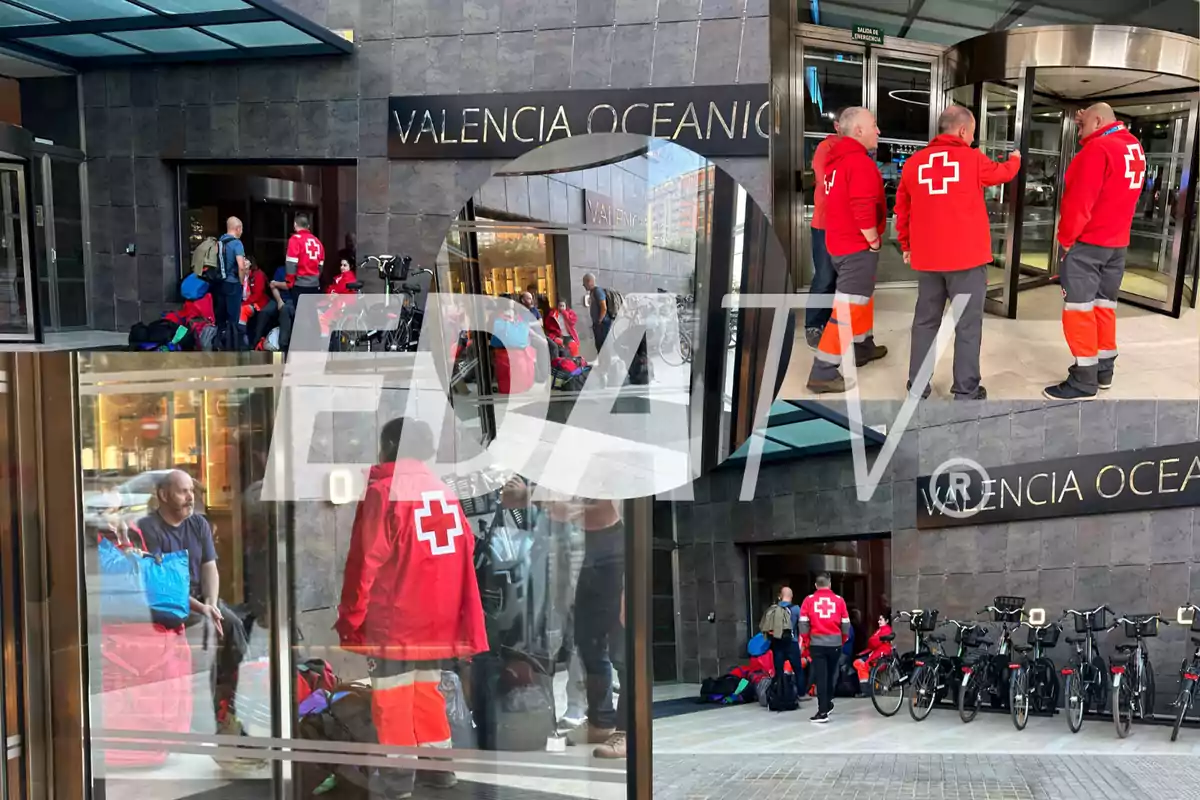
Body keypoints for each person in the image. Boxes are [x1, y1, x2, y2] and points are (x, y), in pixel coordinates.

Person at [336, 418, 488, 797]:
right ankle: (439, 770)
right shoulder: (443, 492)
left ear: (390, 445)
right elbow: (465, 549)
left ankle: (395, 781)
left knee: (392, 696)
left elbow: (364, 563)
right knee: (426, 689)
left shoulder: (384, 492)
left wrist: (351, 618)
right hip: (438, 618)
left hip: (395, 617)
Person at [895, 105, 1022, 401]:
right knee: (967, 325)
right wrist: (1015, 160)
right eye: (973, 133)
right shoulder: (972, 158)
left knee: (925, 321)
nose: (972, 138)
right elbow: (1001, 174)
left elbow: (902, 208)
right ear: (963, 131)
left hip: (928, 260)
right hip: (966, 260)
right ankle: (966, 389)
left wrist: (906, 244)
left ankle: (917, 385)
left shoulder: (914, 164)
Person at [135, 471, 256, 762]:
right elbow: (162, 583)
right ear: (163, 495)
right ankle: (217, 717)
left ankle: (238, 703)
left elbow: (210, 568)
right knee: (211, 631)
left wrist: (212, 604)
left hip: (201, 601)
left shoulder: (199, 523)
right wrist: (204, 610)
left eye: (192, 491)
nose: (191, 497)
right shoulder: (148, 528)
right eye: (183, 491)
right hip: (167, 602)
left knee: (234, 624)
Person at [501, 479, 626, 759]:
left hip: (615, 546)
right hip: (582, 545)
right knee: (588, 642)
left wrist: (539, 501)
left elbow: (601, 509)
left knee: (623, 647)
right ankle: (600, 721)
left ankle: (628, 730)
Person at [1044, 102, 1146, 400]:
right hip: (1117, 246)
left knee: (1078, 310)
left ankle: (1082, 380)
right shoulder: (1133, 147)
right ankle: (1104, 371)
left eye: (1082, 125)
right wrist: (1089, 122)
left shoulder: (1097, 151)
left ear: (1099, 121)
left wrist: (1065, 239)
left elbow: (1078, 202)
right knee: (1104, 306)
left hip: (1088, 245)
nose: (1079, 132)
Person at [806, 107, 889, 395]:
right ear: (858, 131)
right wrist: (873, 240)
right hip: (856, 247)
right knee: (847, 309)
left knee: (861, 298)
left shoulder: (835, 163)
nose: (878, 131)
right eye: (874, 125)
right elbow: (863, 208)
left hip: (838, 244)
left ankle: (862, 346)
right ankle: (822, 371)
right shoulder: (859, 164)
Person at [805, 112, 843, 349]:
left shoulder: (859, 151)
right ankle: (813, 324)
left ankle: (832, 323)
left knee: (840, 279)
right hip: (825, 225)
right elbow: (825, 180)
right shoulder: (825, 147)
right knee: (825, 275)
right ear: (838, 125)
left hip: (847, 228)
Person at [797, 573, 850, 723]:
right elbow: (846, 623)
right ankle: (827, 703)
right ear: (830, 584)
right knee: (831, 675)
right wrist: (843, 638)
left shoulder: (809, 600)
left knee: (821, 676)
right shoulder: (839, 600)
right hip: (835, 644)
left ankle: (822, 712)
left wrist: (807, 640)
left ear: (816, 585)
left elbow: (803, 623)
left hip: (817, 644)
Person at [767, 587, 805, 707]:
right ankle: (801, 694)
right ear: (791, 596)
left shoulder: (774, 609)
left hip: (778, 643)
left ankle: (778, 692)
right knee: (798, 670)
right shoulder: (796, 609)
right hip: (792, 643)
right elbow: (802, 627)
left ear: (780, 596)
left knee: (778, 670)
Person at [216, 217, 248, 351]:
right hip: (233, 284)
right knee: (233, 319)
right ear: (238, 228)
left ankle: (219, 345)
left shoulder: (219, 242)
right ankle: (232, 348)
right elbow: (241, 266)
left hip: (219, 284)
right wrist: (241, 283)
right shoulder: (237, 244)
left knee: (221, 319)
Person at [237, 257, 270, 350]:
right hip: (243, 302)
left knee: (242, 310)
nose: (243, 261)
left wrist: (243, 304)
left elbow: (258, 295)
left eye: (245, 259)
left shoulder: (258, 275)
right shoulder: (239, 276)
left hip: (256, 304)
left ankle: (242, 339)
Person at [582, 273, 611, 352]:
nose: (583, 285)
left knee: (603, 346)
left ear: (589, 282)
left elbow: (603, 307)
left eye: (584, 283)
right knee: (599, 346)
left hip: (602, 325)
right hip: (599, 324)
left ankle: (606, 363)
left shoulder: (598, 291)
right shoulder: (592, 292)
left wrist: (599, 321)